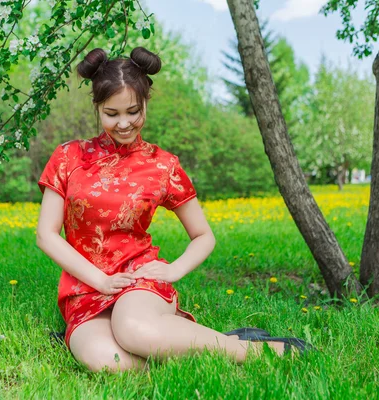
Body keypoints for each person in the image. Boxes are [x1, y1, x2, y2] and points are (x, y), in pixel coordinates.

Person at [36, 47, 310, 373]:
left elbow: (203, 235)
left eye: (133, 111)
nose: (124, 123)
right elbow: (46, 235)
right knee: (113, 364)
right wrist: (99, 280)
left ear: (146, 103)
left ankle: (254, 351)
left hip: (140, 282)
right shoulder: (69, 157)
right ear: (97, 107)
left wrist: (174, 270)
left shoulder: (162, 165)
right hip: (86, 286)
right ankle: (209, 340)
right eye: (112, 114)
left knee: (134, 330)